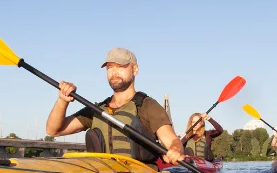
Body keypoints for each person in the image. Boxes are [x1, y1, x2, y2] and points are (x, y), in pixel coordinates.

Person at [46, 47, 184, 166]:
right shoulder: (97, 110)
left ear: (135, 69)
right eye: (110, 67)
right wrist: (62, 101)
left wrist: (175, 150)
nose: (114, 72)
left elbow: (172, 140)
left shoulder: (147, 106)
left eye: (121, 66)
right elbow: (54, 130)